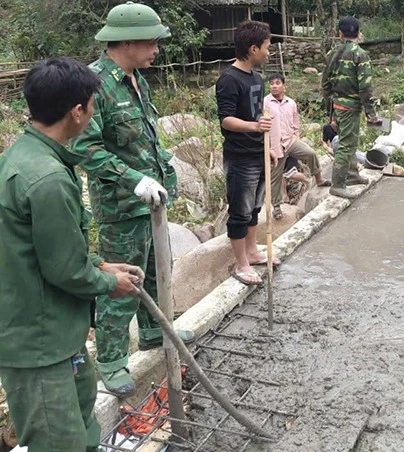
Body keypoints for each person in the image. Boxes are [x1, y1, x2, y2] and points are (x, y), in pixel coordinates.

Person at [0, 57, 144, 451]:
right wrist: (107, 282)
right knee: (57, 441)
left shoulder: (28, 158)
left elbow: (47, 245)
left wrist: (99, 263)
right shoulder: (46, 178)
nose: (93, 112)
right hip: (39, 341)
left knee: (83, 429)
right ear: (77, 111)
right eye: (92, 105)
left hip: (59, 332)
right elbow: (64, 268)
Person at [71, 1, 195, 398]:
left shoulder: (136, 78)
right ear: (126, 41)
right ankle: (109, 359)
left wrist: (162, 171)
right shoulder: (94, 84)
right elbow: (87, 149)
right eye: (151, 42)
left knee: (158, 271)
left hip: (151, 200)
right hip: (121, 206)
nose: (156, 50)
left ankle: (157, 330)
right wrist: (134, 180)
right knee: (123, 282)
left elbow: (145, 137)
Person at [215, 20, 280, 286]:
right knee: (240, 211)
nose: (269, 52)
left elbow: (258, 116)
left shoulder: (258, 78)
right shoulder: (229, 80)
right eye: (266, 47)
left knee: (254, 207)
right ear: (253, 48)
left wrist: (269, 147)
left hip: (258, 151)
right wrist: (254, 127)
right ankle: (240, 264)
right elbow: (226, 120)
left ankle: (253, 253)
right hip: (240, 156)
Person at [320, 16, 379, 198]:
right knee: (346, 144)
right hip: (351, 107)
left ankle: (352, 174)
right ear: (358, 33)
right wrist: (371, 113)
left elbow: (325, 83)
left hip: (337, 104)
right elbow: (365, 87)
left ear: (340, 34)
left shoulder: (332, 53)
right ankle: (337, 184)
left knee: (350, 140)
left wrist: (330, 110)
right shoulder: (360, 54)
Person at [266, 72, 331, 220]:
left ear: (284, 86)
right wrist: (267, 146)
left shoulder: (291, 103)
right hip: (275, 145)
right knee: (275, 176)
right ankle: (276, 206)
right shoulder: (265, 103)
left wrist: (295, 136)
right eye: (271, 84)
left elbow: (295, 123)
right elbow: (261, 125)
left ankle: (319, 179)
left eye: (277, 83)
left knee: (311, 153)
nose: (274, 86)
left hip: (290, 141)